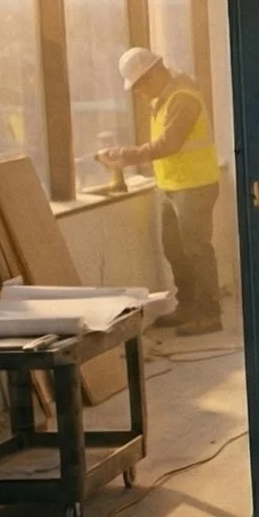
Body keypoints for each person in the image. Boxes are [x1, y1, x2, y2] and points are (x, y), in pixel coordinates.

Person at [97, 48, 223, 336]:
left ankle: (209, 313)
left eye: (140, 84)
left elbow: (168, 144)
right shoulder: (166, 99)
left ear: (153, 73)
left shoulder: (182, 99)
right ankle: (188, 305)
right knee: (175, 250)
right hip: (175, 186)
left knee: (196, 250)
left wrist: (123, 155)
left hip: (195, 186)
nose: (139, 92)